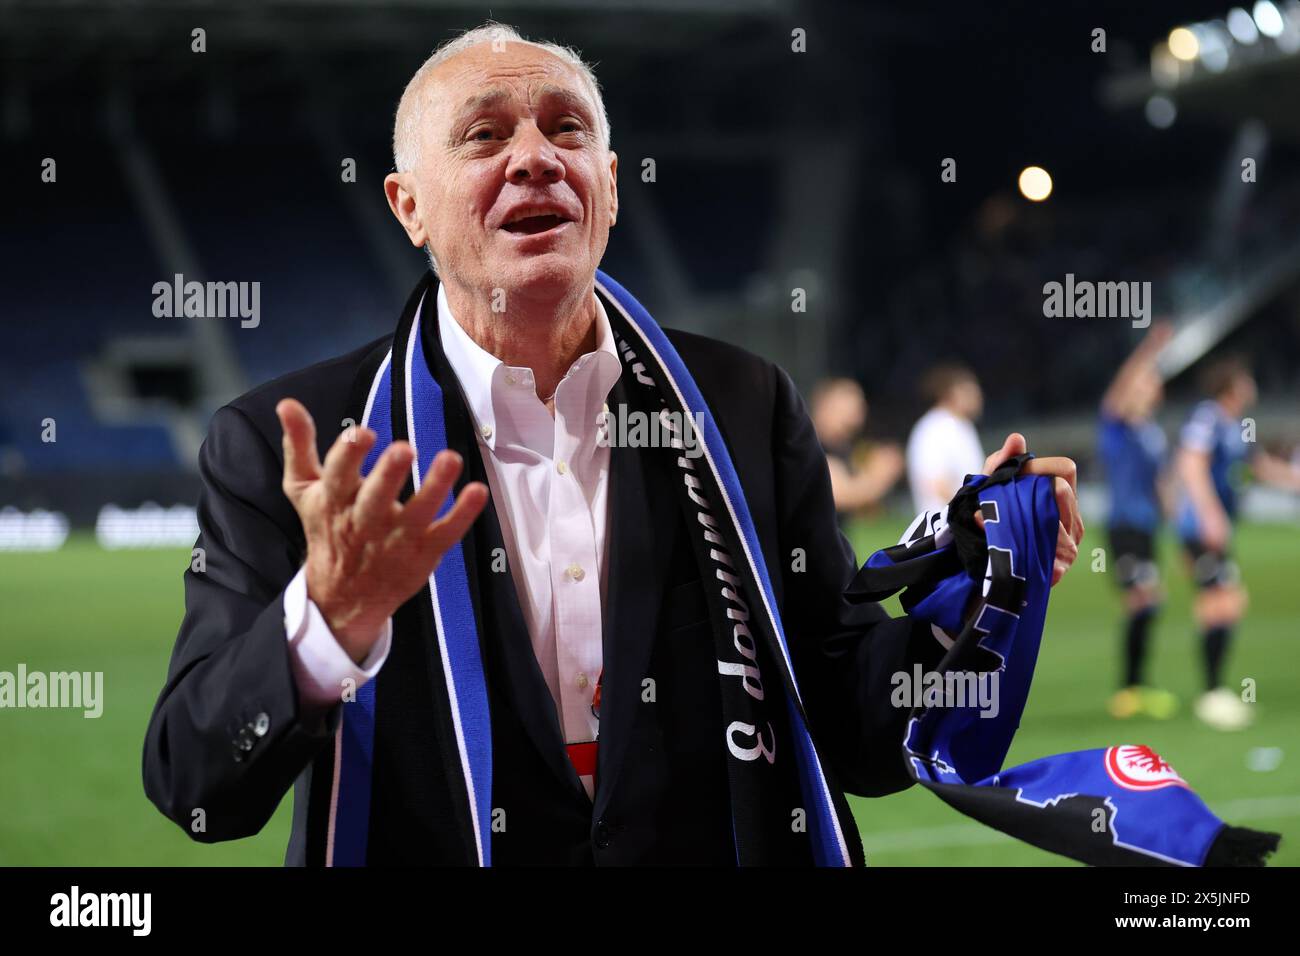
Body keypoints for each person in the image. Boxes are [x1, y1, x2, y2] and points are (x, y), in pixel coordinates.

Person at [141, 21, 1081, 865]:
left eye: (567, 129)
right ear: (408, 207)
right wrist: (327, 621)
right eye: (483, 134)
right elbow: (194, 788)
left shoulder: (741, 404)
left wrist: (985, 590)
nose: (535, 158)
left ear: (613, 188)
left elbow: (850, 725)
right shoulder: (287, 446)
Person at [1176, 356, 1300, 731]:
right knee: (1223, 601)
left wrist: (1294, 480)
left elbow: (1260, 466)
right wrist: (1210, 514)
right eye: (1245, 379)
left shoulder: (1234, 426)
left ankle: (1214, 692)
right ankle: (1212, 694)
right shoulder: (1208, 417)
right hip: (1200, 529)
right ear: (1231, 385)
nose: (1251, 385)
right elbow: (1190, 464)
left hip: (1213, 530)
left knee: (1222, 602)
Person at [1097, 323, 1177, 720]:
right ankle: (1128, 689)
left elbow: (1161, 482)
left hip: (1147, 528)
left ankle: (1139, 684)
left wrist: (1173, 514)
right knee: (1142, 598)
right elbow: (1120, 389)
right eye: (1145, 381)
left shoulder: (1152, 433)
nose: (1150, 385)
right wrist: (1150, 348)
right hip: (1123, 526)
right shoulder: (1118, 426)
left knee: (1151, 601)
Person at [809, 377, 903, 519]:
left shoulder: (842, 448)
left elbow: (866, 510)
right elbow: (840, 495)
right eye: (846, 410)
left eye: (858, 409)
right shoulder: (805, 443)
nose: (854, 418)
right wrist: (880, 476)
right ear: (824, 406)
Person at [906, 363, 985, 515]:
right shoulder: (934, 426)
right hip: (945, 525)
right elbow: (934, 482)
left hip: (965, 522)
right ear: (953, 393)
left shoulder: (962, 425)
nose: (978, 398)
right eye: (971, 392)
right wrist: (970, 510)